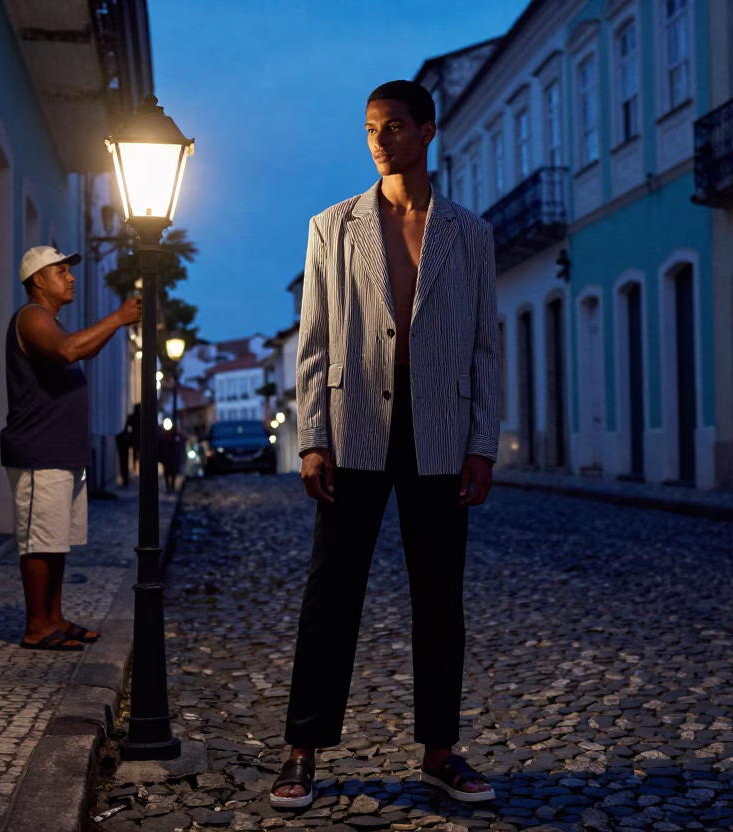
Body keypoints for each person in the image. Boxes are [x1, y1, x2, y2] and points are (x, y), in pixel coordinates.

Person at [271, 80, 501, 807]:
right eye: (371, 128)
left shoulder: (470, 232)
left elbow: (484, 347)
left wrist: (482, 443)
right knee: (330, 594)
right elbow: (313, 344)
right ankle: (302, 749)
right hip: (354, 432)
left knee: (441, 599)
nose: (380, 140)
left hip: (439, 431)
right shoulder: (331, 228)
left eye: (395, 126)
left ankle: (440, 750)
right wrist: (313, 438)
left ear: (428, 131)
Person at [0, 245, 142, 651]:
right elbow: (68, 351)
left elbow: (82, 348)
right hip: (37, 450)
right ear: (38, 281)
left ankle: (54, 618)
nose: (71, 277)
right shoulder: (31, 318)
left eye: (69, 271)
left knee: (55, 538)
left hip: (61, 451)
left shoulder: (53, 322)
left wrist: (113, 326)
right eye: (61, 271)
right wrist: (117, 317)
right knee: (39, 540)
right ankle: (36, 626)